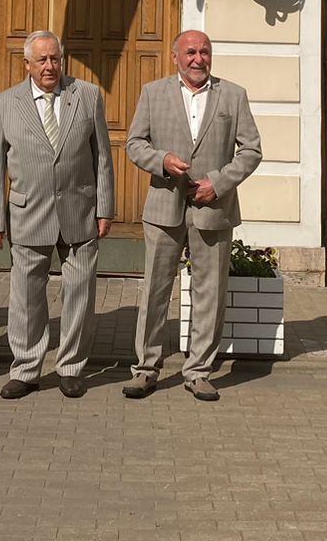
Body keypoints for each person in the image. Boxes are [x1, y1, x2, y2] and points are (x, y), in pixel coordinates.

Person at [122, 29, 262, 403]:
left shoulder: (233, 95)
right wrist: (162, 160)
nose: (198, 59)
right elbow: (134, 144)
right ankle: (145, 369)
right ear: (175, 57)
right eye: (190, 52)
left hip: (213, 209)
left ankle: (198, 372)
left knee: (210, 294)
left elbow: (251, 150)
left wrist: (218, 183)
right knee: (155, 290)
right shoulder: (153, 93)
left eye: (204, 52)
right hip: (164, 208)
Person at [0, 30, 113, 400]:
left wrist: (105, 208)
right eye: (42, 60)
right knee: (26, 298)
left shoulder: (86, 95)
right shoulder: (4, 104)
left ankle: (70, 368)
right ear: (27, 64)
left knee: (79, 295)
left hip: (79, 211)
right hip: (28, 213)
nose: (50, 66)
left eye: (55, 58)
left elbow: (102, 156)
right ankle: (26, 370)